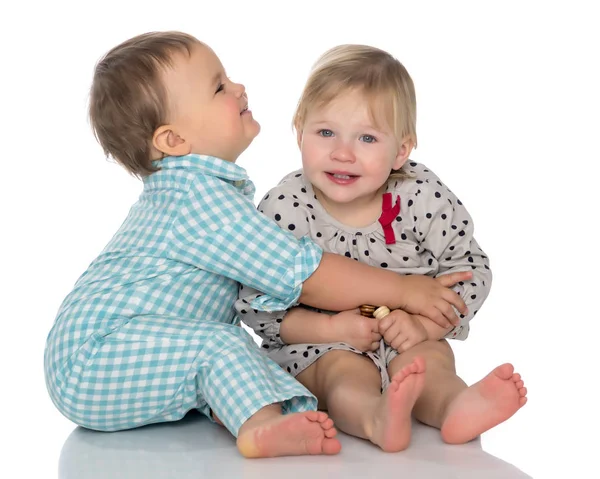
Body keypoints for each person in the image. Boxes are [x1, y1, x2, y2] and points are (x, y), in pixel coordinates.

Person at [43, 32, 472, 459]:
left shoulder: (197, 192)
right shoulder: (199, 200)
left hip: (107, 357)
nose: (238, 88)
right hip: (94, 355)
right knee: (221, 346)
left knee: (223, 348)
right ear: (173, 141)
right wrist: (402, 290)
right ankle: (261, 427)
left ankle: (249, 414)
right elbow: (306, 274)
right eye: (219, 87)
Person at [237, 44, 527, 452]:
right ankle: (376, 417)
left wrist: (425, 327)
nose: (342, 152)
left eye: (368, 138)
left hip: (409, 330)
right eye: (325, 132)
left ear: (401, 151)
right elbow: (257, 307)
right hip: (322, 341)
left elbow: (470, 269)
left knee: (427, 365)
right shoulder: (286, 207)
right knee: (341, 375)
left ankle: (456, 406)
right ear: (298, 129)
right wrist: (330, 328)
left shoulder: (419, 195)